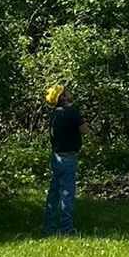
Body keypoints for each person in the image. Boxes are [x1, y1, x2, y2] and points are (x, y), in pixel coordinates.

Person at [43, 82, 82, 236]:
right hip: (68, 158)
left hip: (56, 157)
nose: (70, 92)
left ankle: (49, 227)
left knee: (53, 193)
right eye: (66, 91)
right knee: (67, 194)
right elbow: (85, 130)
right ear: (63, 97)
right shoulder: (70, 112)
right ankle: (66, 230)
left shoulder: (54, 114)